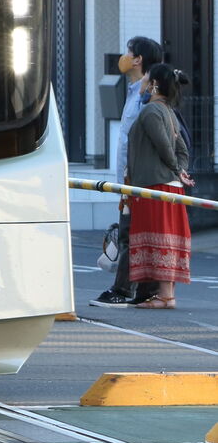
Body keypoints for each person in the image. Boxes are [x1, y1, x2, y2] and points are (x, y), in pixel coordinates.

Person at [90, 36, 164, 307]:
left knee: (129, 233)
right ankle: (146, 290)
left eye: (128, 52)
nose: (123, 57)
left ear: (138, 60)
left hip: (139, 177)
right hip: (129, 176)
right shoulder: (135, 91)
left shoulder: (147, 96)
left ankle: (122, 290)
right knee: (137, 232)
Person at [125, 62, 194, 309]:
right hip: (169, 185)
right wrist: (181, 170)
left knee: (160, 237)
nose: (143, 81)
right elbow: (181, 148)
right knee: (168, 238)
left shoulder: (151, 111)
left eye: (147, 78)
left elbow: (166, 147)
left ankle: (166, 295)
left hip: (155, 185)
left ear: (154, 84)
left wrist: (176, 168)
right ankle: (167, 294)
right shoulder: (168, 111)